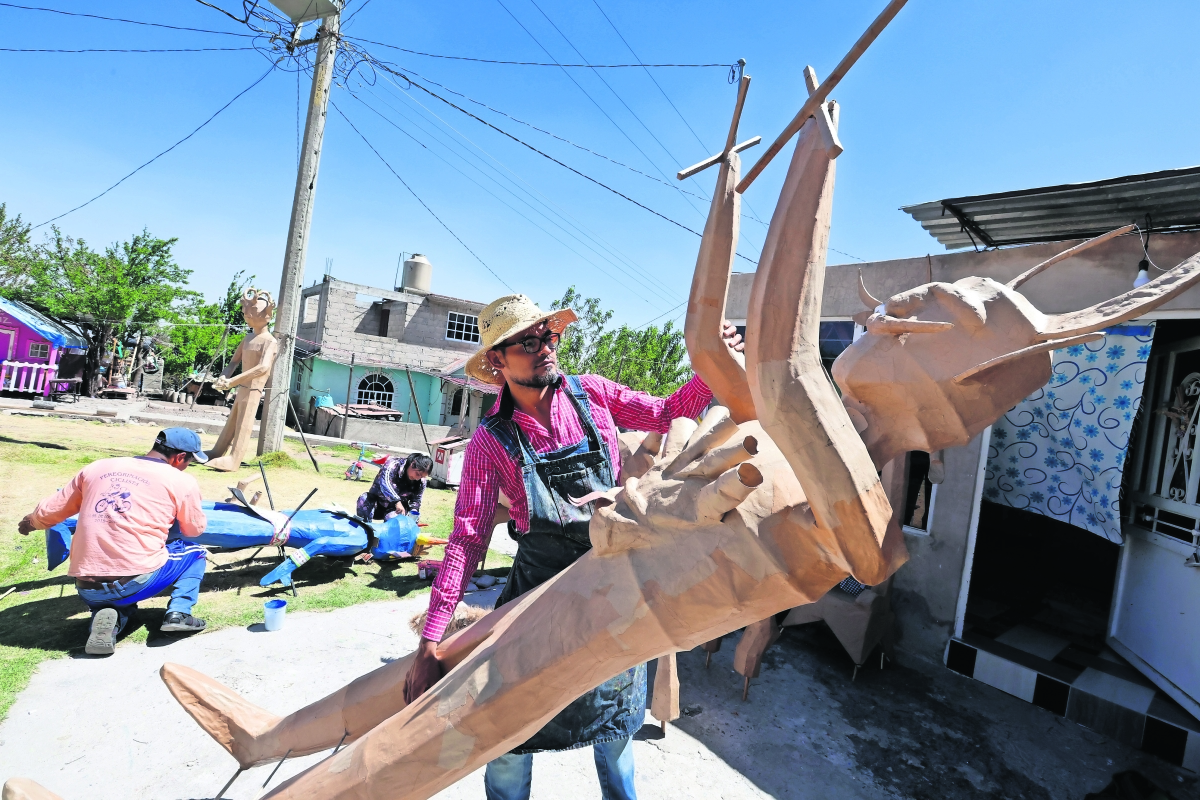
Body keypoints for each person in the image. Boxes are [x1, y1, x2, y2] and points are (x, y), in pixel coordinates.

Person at [402, 294, 743, 800]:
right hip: (534, 604)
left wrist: (713, 369)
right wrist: (431, 641)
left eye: (549, 336)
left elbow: (668, 411)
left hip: (611, 593)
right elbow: (466, 542)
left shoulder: (594, 395)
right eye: (527, 342)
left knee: (614, 739)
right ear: (497, 360)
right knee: (507, 741)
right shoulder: (489, 443)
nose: (545, 349)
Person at [17, 428, 211, 655]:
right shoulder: (181, 480)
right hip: (136, 581)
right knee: (195, 552)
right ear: (180, 457)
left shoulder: (98, 467)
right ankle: (180, 613)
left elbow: (51, 511)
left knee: (114, 589)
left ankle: (110, 617)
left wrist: (30, 522)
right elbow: (193, 530)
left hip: (88, 587)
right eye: (190, 460)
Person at [356, 452, 434, 521]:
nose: (418, 478)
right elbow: (385, 484)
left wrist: (414, 513)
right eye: (418, 474)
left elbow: (416, 499)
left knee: (394, 519)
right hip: (377, 502)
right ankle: (365, 530)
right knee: (363, 499)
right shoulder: (393, 465)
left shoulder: (421, 481)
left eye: (422, 476)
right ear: (413, 464)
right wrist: (396, 501)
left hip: (396, 509)